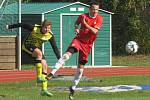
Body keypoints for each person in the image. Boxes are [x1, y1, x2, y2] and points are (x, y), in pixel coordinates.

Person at [47, 1, 103, 99]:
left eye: (97, 9)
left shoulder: (99, 18)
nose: (95, 11)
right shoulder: (82, 16)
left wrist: (85, 24)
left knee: (80, 70)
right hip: (78, 40)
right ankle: (52, 73)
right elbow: (76, 23)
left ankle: (72, 88)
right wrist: (76, 28)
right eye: (93, 9)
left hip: (87, 45)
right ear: (90, 9)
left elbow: (94, 31)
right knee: (66, 55)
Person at [6, 19, 61, 97]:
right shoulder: (35, 28)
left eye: (49, 28)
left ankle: (44, 90)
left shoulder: (50, 35)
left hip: (36, 49)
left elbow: (54, 47)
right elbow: (23, 24)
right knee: (39, 53)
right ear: (42, 27)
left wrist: (60, 59)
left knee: (45, 65)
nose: (47, 30)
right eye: (45, 28)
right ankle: (39, 77)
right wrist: (10, 26)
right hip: (27, 46)